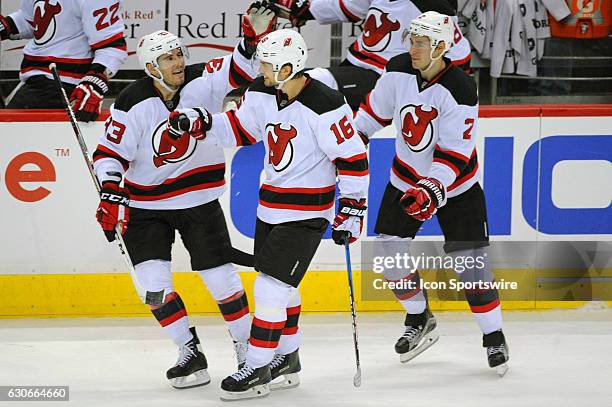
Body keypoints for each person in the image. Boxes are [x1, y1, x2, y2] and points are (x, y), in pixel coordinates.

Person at [167, 28, 370, 400]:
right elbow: (242, 129)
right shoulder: (261, 91)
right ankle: (287, 359)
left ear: (288, 66)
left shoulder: (325, 104)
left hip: (308, 212)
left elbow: (353, 159)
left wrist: (353, 209)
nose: (259, 69)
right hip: (270, 207)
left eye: (266, 63)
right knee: (282, 288)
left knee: (270, 290)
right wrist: (203, 123)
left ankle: (258, 366)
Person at [91, 3, 277, 389]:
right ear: (149, 68)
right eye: (167, 58)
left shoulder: (202, 80)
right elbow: (109, 155)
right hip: (145, 208)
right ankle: (189, 351)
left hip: (199, 202)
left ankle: (247, 349)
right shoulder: (131, 102)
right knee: (152, 288)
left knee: (222, 281)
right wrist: (111, 190)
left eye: (179, 54)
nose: (177, 62)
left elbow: (239, 69)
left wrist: (250, 39)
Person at [354, 11, 509, 374]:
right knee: (389, 255)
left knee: (471, 269)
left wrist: (432, 187)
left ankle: (494, 336)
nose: (413, 48)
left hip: (457, 186)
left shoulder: (460, 88)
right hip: (406, 180)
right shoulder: (396, 69)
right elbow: (372, 115)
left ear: (441, 46)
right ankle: (419, 317)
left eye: (421, 42)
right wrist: (346, 147)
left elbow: (455, 153)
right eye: (412, 40)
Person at [268, 0, 471, 111]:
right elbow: (347, 6)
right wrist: (305, 9)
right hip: (354, 67)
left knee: (304, 83)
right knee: (289, 81)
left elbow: (458, 53)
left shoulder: (432, 7)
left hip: (381, 78)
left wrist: (422, 88)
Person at [0, 0, 127, 121]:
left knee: (10, 135)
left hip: (63, 85)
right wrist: (6, 26)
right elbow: (31, 20)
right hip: (33, 79)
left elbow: (111, 46)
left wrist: (95, 81)